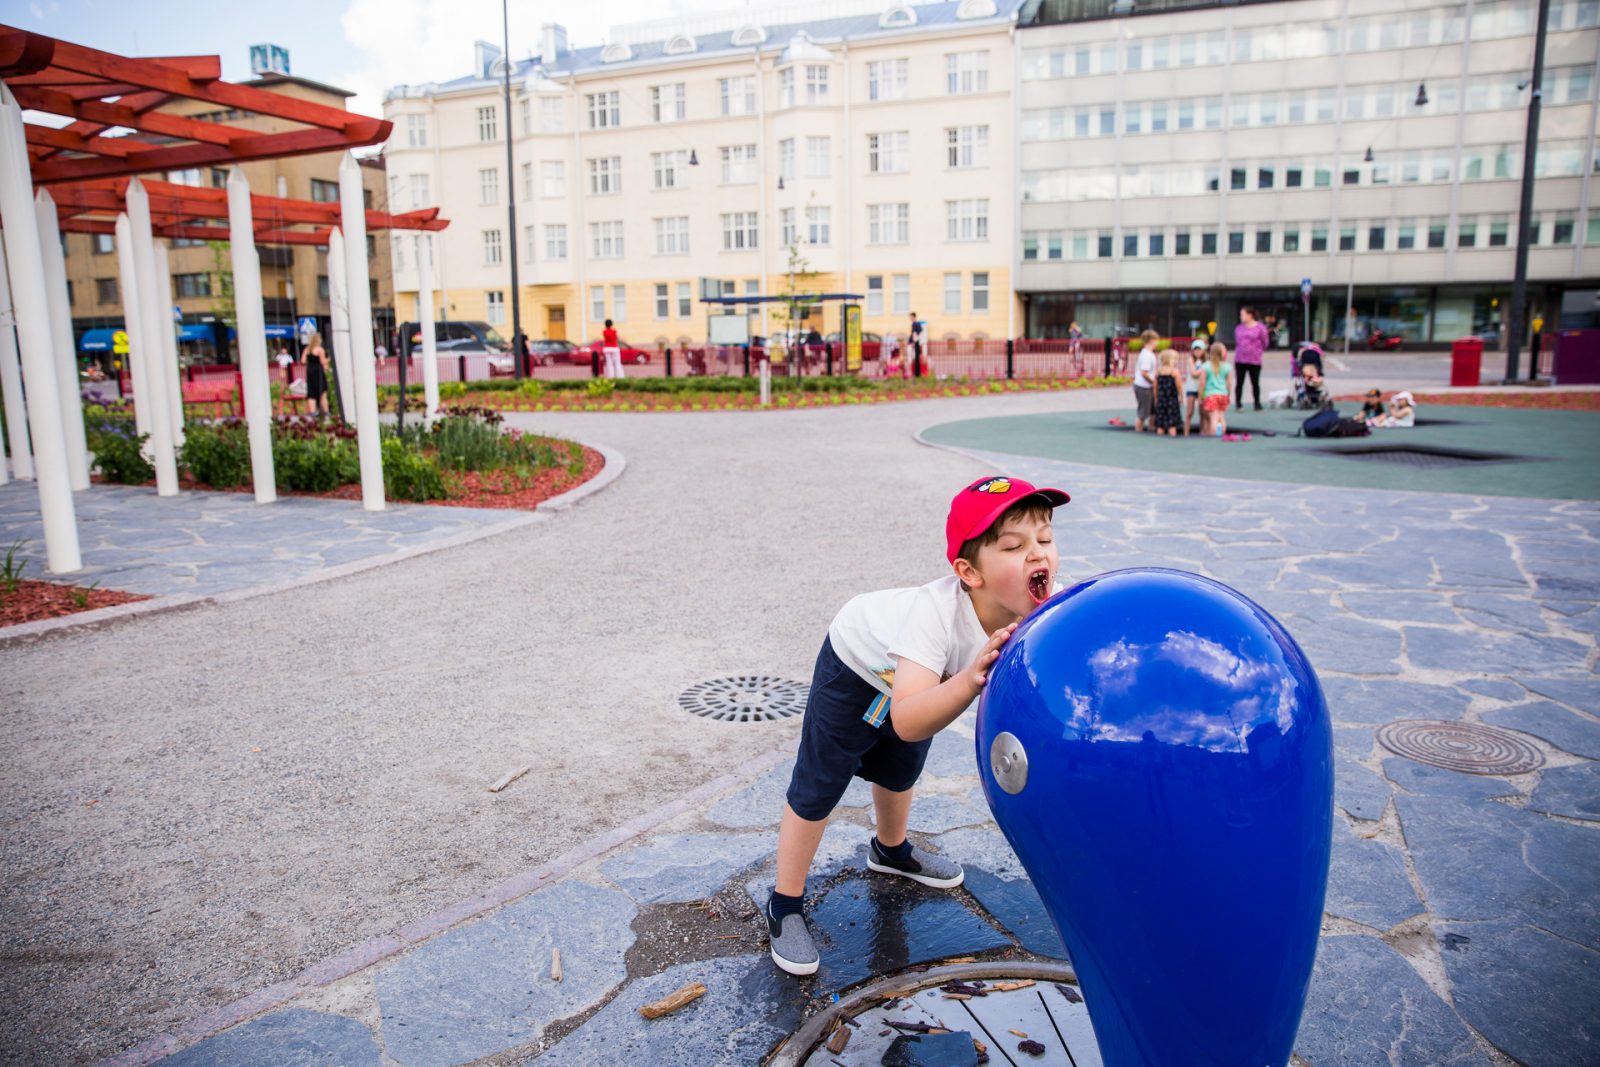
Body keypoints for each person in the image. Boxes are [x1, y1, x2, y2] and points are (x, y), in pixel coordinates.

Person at [765, 475, 1071, 976]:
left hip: (922, 678)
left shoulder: (1049, 600)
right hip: (859, 663)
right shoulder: (934, 614)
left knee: (901, 768)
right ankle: (785, 902)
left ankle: (890, 851)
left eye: (1046, 539)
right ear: (969, 572)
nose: (1038, 553)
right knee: (820, 783)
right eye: (1014, 546)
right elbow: (907, 719)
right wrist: (969, 680)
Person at [1233, 306, 1268, 411]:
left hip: (1254, 360)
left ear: (1250, 315)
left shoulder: (1260, 328)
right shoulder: (1239, 328)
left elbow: (1265, 342)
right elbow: (1237, 341)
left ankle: (1257, 403)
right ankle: (1238, 403)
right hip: (1240, 359)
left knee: (1255, 382)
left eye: (1243, 314)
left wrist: (1258, 352)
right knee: (1239, 382)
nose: (1241, 317)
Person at [1199, 341, 1234, 437]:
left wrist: (1200, 397)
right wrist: (1228, 394)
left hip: (1211, 394)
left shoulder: (1206, 366)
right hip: (1223, 394)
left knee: (1213, 418)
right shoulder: (1227, 366)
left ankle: (1213, 436)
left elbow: (1202, 383)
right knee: (1221, 417)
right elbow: (1229, 383)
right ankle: (1222, 435)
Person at [1131, 329, 1161, 433]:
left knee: (1153, 410)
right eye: (1156, 340)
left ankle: (1151, 428)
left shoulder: (1149, 353)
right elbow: (1144, 372)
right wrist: (1153, 381)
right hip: (1144, 386)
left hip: (1147, 386)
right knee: (1143, 412)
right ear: (1151, 340)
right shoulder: (1147, 355)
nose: (1157, 343)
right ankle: (1138, 430)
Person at [1153, 349, 1184, 437]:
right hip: (1172, 400)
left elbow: (1155, 386)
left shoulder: (1158, 372)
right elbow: (1179, 386)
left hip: (1161, 399)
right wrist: (1181, 396)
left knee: (1160, 423)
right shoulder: (1174, 372)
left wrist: (1156, 398)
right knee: (1172, 423)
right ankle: (1172, 437)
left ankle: (1159, 438)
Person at [303, 331, 331, 416]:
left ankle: (312, 412)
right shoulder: (320, 349)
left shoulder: (307, 349)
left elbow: (303, 361)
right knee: (322, 392)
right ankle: (326, 412)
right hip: (318, 371)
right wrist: (328, 360)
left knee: (311, 393)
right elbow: (323, 362)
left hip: (310, 371)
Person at [1184, 337, 1205, 435]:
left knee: (1202, 413)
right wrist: (1203, 370)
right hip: (1192, 388)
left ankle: (1202, 431)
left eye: (1199, 349)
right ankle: (1186, 433)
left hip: (1202, 388)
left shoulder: (1205, 361)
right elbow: (1194, 373)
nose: (1197, 351)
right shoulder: (1191, 360)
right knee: (1189, 412)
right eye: (1195, 349)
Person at [909, 313, 925, 379]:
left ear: (913, 316)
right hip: (916, 341)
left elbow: (919, 331)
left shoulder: (915, 323)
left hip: (916, 341)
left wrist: (915, 336)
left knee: (916, 357)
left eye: (911, 317)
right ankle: (916, 372)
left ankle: (917, 373)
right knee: (916, 357)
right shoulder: (915, 323)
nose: (910, 318)